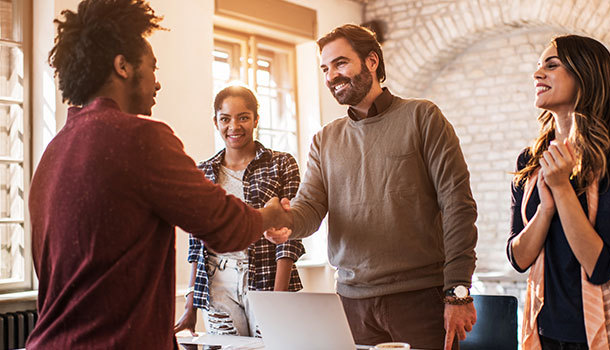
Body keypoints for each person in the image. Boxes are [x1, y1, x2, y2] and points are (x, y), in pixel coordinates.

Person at [26, 1, 290, 348]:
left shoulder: (53, 150)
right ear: (123, 66)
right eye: (153, 68)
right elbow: (227, 226)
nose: (158, 83)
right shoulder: (141, 137)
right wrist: (271, 214)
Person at [278, 24, 478, 350]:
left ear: (371, 61)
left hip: (419, 299)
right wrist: (284, 223)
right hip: (350, 304)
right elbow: (309, 210)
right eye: (325, 68)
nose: (331, 76)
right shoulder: (324, 140)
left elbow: (458, 205)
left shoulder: (422, 117)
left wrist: (458, 292)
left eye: (341, 63)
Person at [507, 34, 610, 349]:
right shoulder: (531, 162)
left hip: (609, 330)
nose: (538, 74)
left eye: (551, 65)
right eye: (538, 67)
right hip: (545, 331)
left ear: (585, 75)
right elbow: (519, 259)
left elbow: (599, 266)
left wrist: (562, 187)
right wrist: (545, 210)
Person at [174, 86, 305, 337]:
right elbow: (197, 243)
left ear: (256, 119)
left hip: (267, 280)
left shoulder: (282, 163)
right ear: (216, 122)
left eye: (243, 117)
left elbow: (291, 234)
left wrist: (279, 300)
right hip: (218, 284)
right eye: (225, 119)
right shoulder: (203, 172)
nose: (234, 126)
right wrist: (190, 306)